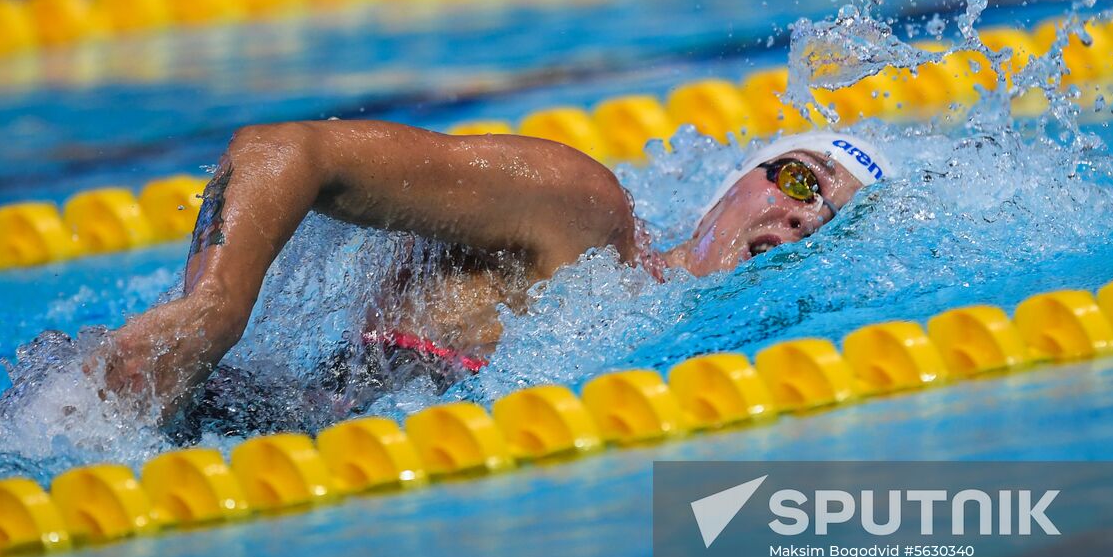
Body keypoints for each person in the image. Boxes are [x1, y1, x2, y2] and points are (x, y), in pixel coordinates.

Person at [88, 119, 891, 432]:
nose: (810, 216)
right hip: (162, 421)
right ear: (738, 182)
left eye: (837, 216)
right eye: (798, 179)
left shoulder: (694, 370)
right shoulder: (582, 215)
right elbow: (284, 151)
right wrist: (213, 309)